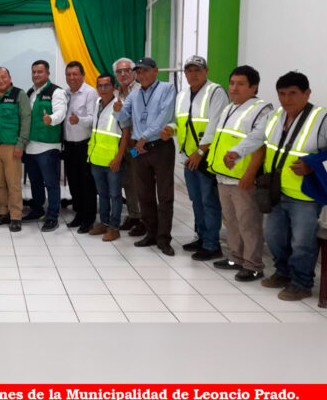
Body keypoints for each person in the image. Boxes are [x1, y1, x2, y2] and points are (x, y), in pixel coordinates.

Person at [260, 71, 327, 301]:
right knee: (274, 238)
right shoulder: (276, 117)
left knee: (302, 242)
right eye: (282, 94)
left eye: (293, 93)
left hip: (304, 195)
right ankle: (283, 273)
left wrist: (313, 164)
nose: (286, 99)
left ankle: (302, 283)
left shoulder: (325, 119)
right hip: (276, 191)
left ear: (307, 93)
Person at [205, 66, 272, 281]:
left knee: (248, 222)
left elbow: (260, 143)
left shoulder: (262, 110)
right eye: (232, 83)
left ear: (254, 87)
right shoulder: (230, 108)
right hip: (224, 175)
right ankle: (236, 257)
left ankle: (253, 265)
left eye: (240, 84)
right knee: (231, 221)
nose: (234, 88)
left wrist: (250, 174)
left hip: (243, 178)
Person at [163, 55, 229, 261]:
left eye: (197, 70)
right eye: (189, 70)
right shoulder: (182, 95)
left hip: (206, 156)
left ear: (206, 71)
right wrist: (170, 129)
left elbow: (215, 125)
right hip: (188, 157)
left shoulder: (216, 92)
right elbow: (180, 122)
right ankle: (201, 237)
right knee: (196, 200)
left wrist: (200, 152)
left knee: (209, 201)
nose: (193, 74)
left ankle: (212, 244)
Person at [113, 57, 177, 256]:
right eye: (139, 72)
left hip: (160, 146)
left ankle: (164, 239)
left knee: (164, 195)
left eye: (145, 71)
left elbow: (164, 117)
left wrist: (144, 137)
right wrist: (117, 112)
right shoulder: (134, 94)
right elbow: (125, 117)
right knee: (144, 194)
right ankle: (151, 233)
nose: (142, 75)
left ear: (155, 71)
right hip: (139, 151)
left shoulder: (167, 89)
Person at [0, 67, 31, 232]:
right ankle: (3, 212)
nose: (0, 80)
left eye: (3, 77)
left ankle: (16, 216)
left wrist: (21, 144)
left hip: (12, 146)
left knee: (13, 182)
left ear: (10, 78)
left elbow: (26, 120)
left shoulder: (19, 94)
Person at [23, 59, 67, 232]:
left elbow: (60, 112)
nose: (36, 75)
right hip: (30, 145)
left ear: (47, 73)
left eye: (40, 72)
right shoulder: (30, 93)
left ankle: (52, 216)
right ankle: (37, 210)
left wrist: (51, 119)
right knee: (35, 182)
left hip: (48, 146)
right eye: (34, 72)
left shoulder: (56, 91)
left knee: (51, 183)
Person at [88, 74, 131, 242]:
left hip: (113, 160)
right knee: (103, 194)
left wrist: (119, 158)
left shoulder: (120, 105)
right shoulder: (97, 103)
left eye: (106, 86)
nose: (103, 89)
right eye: (100, 86)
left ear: (114, 87)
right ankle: (104, 223)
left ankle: (114, 227)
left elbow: (126, 133)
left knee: (115, 195)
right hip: (96, 158)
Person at [62, 61, 98, 232]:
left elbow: (93, 119)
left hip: (84, 145)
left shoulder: (90, 92)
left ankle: (89, 218)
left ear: (82, 75)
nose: (72, 78)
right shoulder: (66, 93)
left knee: (87, 184)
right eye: (68, 75)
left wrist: (79, 121)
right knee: (74, 183)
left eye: (75, 74)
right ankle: (79, 214)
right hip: (69, 146)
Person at [114, 57, 146, 237]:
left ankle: (145, 219)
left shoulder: (141, 91)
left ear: (134, 72)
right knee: (128, 181)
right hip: (122, 145)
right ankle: (134, 215)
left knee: (140, 181)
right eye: (119, 71)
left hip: (138, 144)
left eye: (127, 70)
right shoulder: (117, 92)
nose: (123, 74)